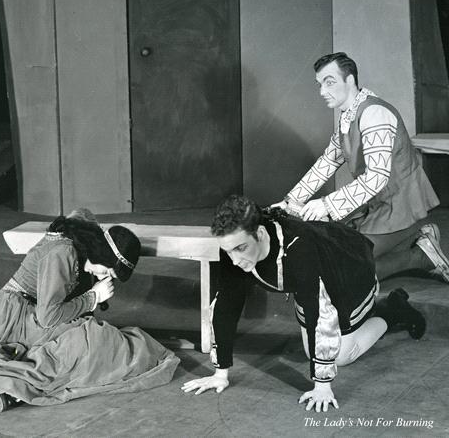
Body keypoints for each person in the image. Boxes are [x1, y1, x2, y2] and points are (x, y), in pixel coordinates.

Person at [0, 209, 179, 416]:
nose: (105, 276)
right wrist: (92, 297)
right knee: (92, 341)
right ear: (99, 253)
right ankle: (3, 390)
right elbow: (48, 317)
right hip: (11, 319)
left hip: (29, 313)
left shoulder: (81, 237)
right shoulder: (63, 254)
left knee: (93, 342)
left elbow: (82, 214)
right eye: (105, 269)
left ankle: (7, 393)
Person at [182, 195, 425, 412]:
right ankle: (377, 315)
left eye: (240, 248)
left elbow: (320, 313)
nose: (234, 260)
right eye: (228, 251)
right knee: (314, 352)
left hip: (347, 274)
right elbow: (226, 304)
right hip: (315, 280)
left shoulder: (298, 251)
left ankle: (392, 310)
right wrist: (220, 373)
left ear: (261, 234)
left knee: (339, 356)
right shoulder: (233, 250)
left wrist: (322, 386)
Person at [274, 52, 448, 283]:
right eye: (319, 84)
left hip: (402, 208)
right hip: (377, 206)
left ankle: (421, 256)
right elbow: (328, 161)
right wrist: (290, 202)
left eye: (329, 82)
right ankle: (413, 243)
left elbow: (376, 178)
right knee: (332, 258)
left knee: (344, 271)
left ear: (350, 80)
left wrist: (326, 204)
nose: (322, 91)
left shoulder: (375, 114)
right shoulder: (349, 115)